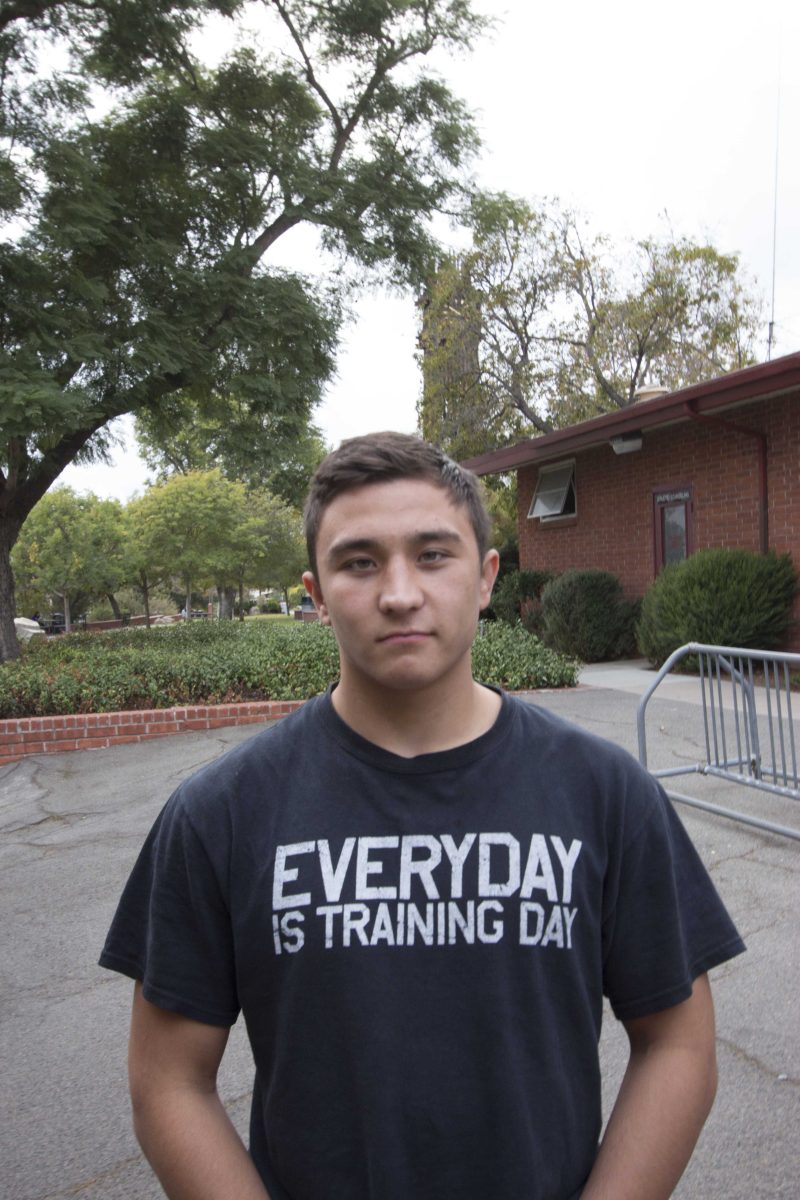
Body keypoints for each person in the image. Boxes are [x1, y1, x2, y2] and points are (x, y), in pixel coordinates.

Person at [100, 431, 744, 1200]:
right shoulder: (220, 815)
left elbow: (677, 1042)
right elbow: (169, 1083)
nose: (399, 592)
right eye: (359, 561)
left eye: (434, 555)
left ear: (485, 577)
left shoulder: (606, 794)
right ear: (315, 591)